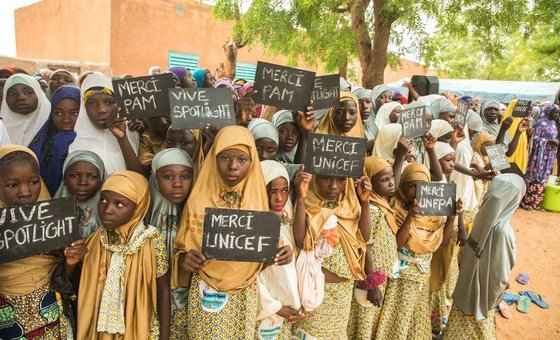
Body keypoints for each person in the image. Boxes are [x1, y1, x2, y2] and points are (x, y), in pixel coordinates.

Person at [172, 126, 292, 338]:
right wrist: (184, 260)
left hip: (245, 293)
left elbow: (260, 254)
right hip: (206, 288)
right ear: (213, 158)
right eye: (224, 157)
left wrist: (279, 254)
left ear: (252, 161)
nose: (233, 166)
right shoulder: (198, 199)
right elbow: (181, 249)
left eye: (242, 159)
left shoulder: (259, 199)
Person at [0, 145, 86, 339]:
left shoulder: (54, 225)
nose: (25, 192)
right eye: (12, 185)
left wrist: (70, 263)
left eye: (33, 182)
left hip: (50, 317)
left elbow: (61, 280)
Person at [77, 171, 171, 339]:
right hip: (100, 330)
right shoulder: (95, 240)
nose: (107, 210)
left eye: (119, 204)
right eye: (103, 200)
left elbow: (163, 289)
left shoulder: (150, 240)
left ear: (139, 207)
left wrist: (165, 335)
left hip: (138, 324)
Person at [375, 163, 458, 339]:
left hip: (421, 276)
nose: (417, 192)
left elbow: (443, 242)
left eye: (423, 187)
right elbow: (396, 244)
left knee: (415, 316)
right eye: (412, 186)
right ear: (403, 185)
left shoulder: (434, 211)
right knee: (397, 316)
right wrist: (410, 218)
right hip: (400, 278)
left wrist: (451, 218)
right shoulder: (395, 208)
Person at [291, 169, 371, 339]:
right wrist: (301, 197)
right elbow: (299, 241)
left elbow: (364, 238)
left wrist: (365, 203)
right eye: (326, 178)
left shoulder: (350, 204)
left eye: (341, 179)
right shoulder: (309, 202)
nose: (333, 186)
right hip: (315, 288)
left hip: (343, 291)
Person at [445, 174, 526, 339]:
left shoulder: (482, 216)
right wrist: (497, 295)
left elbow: (467, 251)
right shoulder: (503, 231)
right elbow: (500, 274)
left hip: (465, 286)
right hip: (482, 296)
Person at [144, 148, 194, 338]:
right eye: (168, 177)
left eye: (185, 176)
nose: (178, 184)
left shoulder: (197, 208)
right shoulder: (143, 208)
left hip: (187, 299)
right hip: (150, 297)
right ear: (155, 179)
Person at [347, 156, 399, 338]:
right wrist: (372, 284)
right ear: (369, 183)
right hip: (371, 277)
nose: (392, 183)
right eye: (384, 180)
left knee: (370, 321)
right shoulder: (373, 210)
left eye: (392, 177)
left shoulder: (383, 204)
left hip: (379, 276)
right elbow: (366, 245)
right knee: (363, 322)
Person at [256, 160, 303, 339]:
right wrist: (277, 308)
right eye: (272, 191)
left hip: (289, 306)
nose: (279, 198)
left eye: (284, 191)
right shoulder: (252, 221)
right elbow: (248, 276)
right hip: (266, 307)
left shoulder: (286, 212)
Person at [68, 73, 142, 175]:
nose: (101, 110)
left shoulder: (132, 132)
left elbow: (140, 179)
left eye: (109, 102)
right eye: (92, 103)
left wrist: (122, 139)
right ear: (84, 108)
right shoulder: (74, 143)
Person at [29, 85, 80, 195]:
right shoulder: (40, 142)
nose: (66, 119)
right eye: (58, 113)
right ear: (51, 113)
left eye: (74, 113)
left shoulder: (92, 142)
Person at [55, 150, 106, 239]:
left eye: (92, 177)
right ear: (64, 179)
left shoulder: (109, 212)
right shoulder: (50, 213)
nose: (82, 182)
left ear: (101, 181)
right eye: (74, 175)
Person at [520, 104, 559, 210]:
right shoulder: (540, 124)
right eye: (554, 112)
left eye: (557, 112)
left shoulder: (553, 124)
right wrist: (549, 141)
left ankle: (536, 203)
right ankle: (527, 203)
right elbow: (535, 139)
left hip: (549, 156)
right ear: (548, 112)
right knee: (534, 175)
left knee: (543, 178)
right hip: (538, 156)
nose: (557, 114)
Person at [1, 74, 51, 146]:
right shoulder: (1, 128)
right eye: (12, 93)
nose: (20, 97)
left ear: (39, 95)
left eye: (28, 92)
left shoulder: (54, 126)